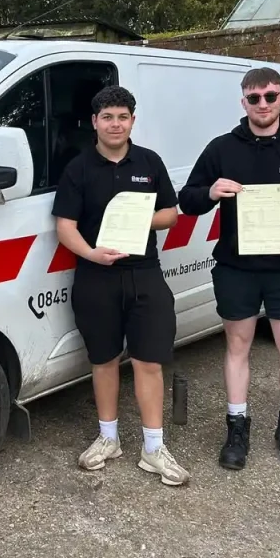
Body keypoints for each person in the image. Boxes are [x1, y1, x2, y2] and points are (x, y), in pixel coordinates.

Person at [177, 67, 280, 471]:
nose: (263, 104)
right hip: (237, 268)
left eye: (271, 96)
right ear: (244, 102)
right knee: (238, 348)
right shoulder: (222, 148)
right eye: (255, 98)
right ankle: (237, 427)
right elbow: (188, 199)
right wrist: (211, 192)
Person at [52, 84, 191, 486]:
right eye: (108, 117)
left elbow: (170, 213)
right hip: (96, 277)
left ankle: (153, 448)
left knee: (149, 360)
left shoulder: (150, 162)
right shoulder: (77, 169)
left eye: (123, 116)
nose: (116, 124)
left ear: (133, 121)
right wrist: (91, 253)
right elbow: (65, 227)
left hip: (145, 273)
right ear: (95, 122)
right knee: (104, 360)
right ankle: (108, 439)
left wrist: (138, 218)